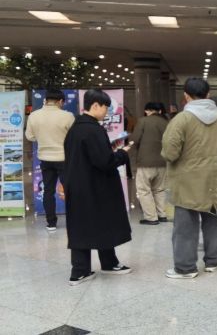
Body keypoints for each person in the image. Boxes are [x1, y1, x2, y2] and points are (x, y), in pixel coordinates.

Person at [162, 78, 217, 279]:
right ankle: (214, 261)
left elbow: (170, 152)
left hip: (187, 181)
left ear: (186, 95)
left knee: (185, 225)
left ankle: (186, 268)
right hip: (214, 179)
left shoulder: (181, 119)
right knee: (212, 221)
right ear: (208, 94)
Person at [63, 89, 133, 285]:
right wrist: (123, 153)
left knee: (80, 227)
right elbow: (104, 161)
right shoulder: (93, 129)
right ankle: (109, 263)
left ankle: (79, 270)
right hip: (97, 186)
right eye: (105, 108)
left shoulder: (75, 129)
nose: (106, 112)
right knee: (105, 221)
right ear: (95, 105)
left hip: (77, 185)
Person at [25, 89, 74, 231]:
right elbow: (73, 137)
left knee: (48, 190)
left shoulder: (34, 116)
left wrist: (42, 139)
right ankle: (74, 220)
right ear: (60, 101)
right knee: (70, 190)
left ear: (45, 100)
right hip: (64, 158)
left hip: (45, 158)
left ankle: (51, 223)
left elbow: (29, 136)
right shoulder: (67, 116)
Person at [132, 102, 169, 225]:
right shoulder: (166, 122)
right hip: (163, 161)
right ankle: (162, 215)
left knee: (144, 189)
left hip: (145, 162)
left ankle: (151, 217)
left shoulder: (143, 121)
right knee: (160, 189)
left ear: (148, 110)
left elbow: (135, 139)